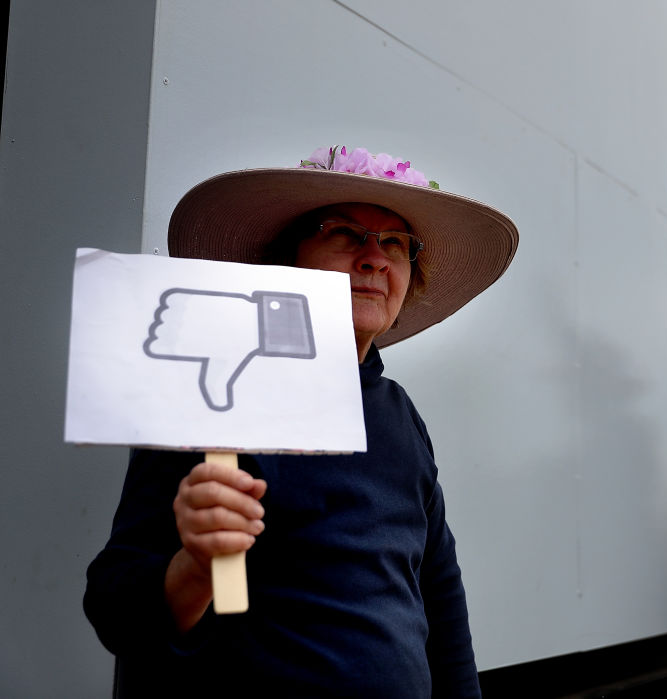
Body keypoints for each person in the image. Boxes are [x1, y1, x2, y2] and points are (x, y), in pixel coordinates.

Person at [84, 145, 518, 697]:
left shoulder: (399, 413)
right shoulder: (212, 393)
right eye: (342, 233)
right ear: (283, 264)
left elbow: (438, 590)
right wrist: (195, 567)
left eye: (395, 243)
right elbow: (114, 608)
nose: (374, 258)